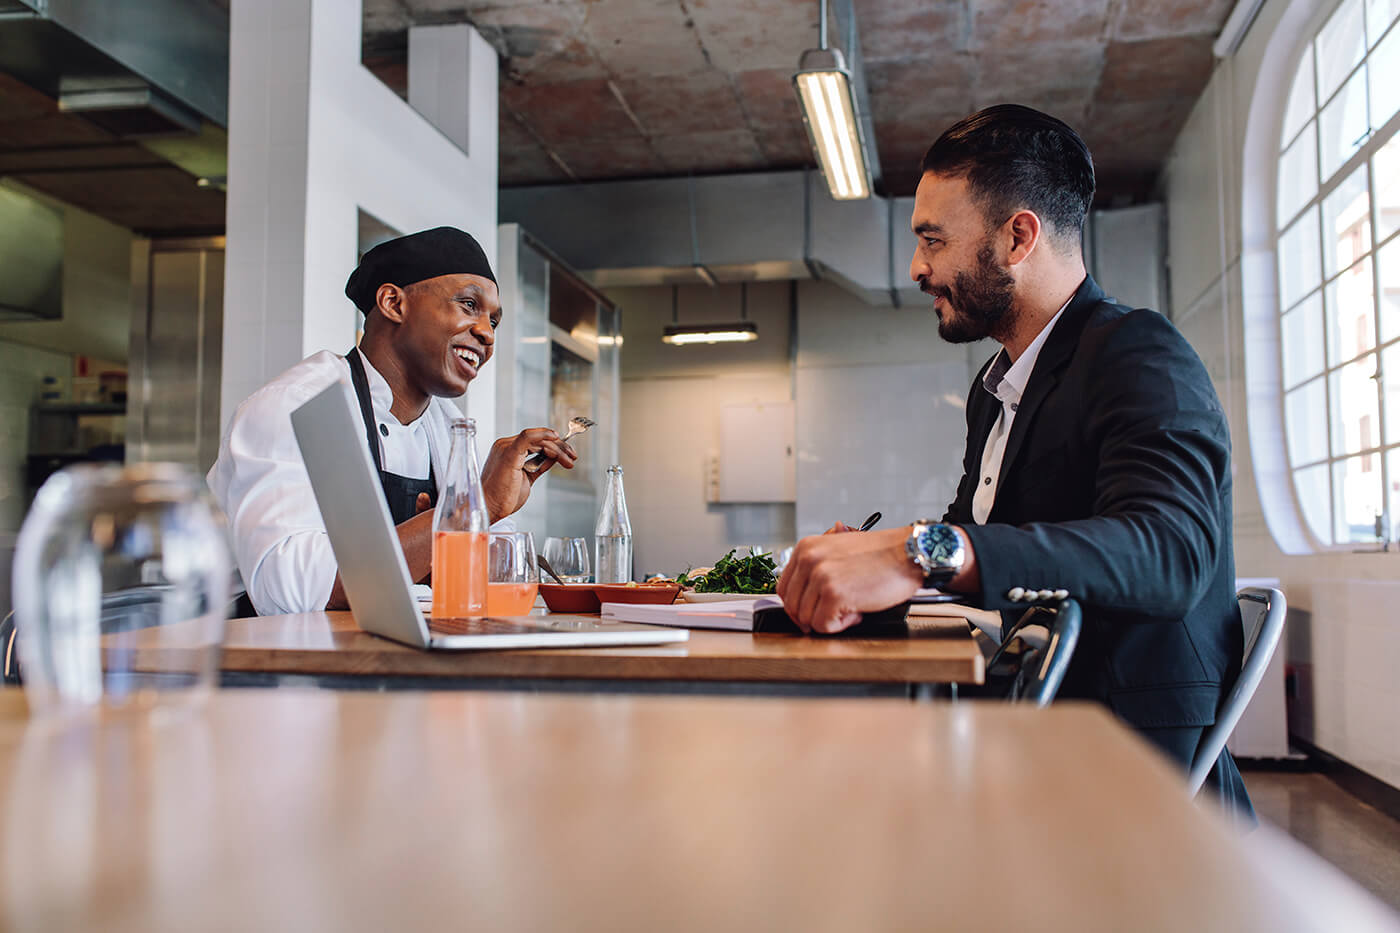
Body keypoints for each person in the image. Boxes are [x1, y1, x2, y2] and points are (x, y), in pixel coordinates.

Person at [776, 105, 1252, 815]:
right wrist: (881, 554)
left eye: (933, 239)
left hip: (1124, 745)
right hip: (1036, 703)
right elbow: (982, 532)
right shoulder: (997, 385)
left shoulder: (1137, 351)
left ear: (1019, 236)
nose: (917, 268)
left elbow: (1170, 551)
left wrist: (920, 551)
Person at [208, 226, 577, 616]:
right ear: (393, 303)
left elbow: (492, 583)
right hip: (265, 662)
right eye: (469, 305)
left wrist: (491, 511)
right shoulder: (297, 408)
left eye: (494, 322)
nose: (486, 333)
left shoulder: (449, 427)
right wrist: (473, 506)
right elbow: (288, 592)